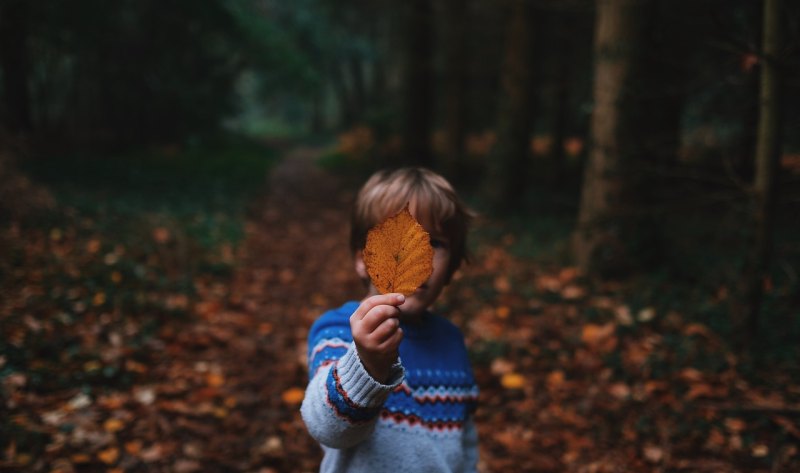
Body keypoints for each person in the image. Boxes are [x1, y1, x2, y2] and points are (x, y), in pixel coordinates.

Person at [301, 167, 480, 472]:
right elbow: (326, 429)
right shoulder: (340, 331)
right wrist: (367, 363)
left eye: (434, 243)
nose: (415, 254)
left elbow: (465, 445)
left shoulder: (451, 341)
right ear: (363, 259)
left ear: (452, 267)